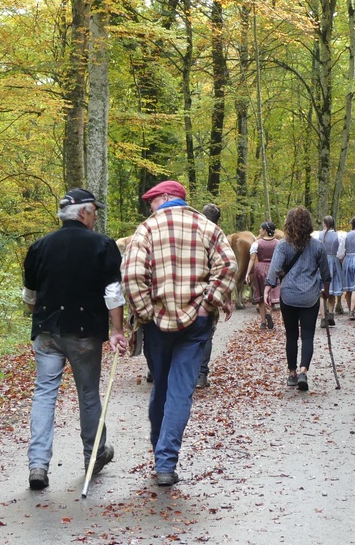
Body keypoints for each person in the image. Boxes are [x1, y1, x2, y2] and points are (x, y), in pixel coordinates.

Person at [122, 180, 237, 486]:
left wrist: (145, 313)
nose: (150, 207)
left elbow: (131, 275)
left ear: (166, 197)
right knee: (180, 391)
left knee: (161, 386)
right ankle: (165, 461)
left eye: (152, 200)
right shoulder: (208, 228)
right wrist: (209, 302)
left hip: (157, 324)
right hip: (196, 322)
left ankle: (160, 454)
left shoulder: (146, 230)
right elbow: (228, 266)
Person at [22, 188, 129, 490]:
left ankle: (38, 465)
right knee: (88, 394)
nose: (95, 217)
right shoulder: (103, 245)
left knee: (44, 394)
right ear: (84, 212)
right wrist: (117, 330)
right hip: (84, 333)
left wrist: (43, 314)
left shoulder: (39, 246)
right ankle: (93, 456)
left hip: (47, 331)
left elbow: (29, 297)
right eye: (94, 211)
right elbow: (113, 294)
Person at [264, 206, 331, 391]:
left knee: (291, 336)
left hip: (289, 296)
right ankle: (303, 371)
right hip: (310, 296)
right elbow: (326, 274)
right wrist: (325, 291)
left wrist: (267, 289)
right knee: (308, 335)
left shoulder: (283, 245)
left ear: (288, 224)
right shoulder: (318, 246)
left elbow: (275, 270)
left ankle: (292, 374)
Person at [196, 203, 223, 389]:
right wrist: (224, 297)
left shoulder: (189, 231)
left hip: (188, 290)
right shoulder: (217, 236)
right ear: (217, 221)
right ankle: (201, 374)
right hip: (208, 292)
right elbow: (225, 268)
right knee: (207, 334)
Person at [244, 221, 280, 330]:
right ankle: (269, 311)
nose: (259, 231)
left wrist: (247, 273)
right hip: (273, 269)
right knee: (271, 293)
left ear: (264, 231)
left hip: (260, 269)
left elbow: (252, 259)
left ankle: (263, 322)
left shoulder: (257, 243)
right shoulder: (278, 243)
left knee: (260, 295)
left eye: (261, 229)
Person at [316, 216, 344, 328]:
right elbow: (341, 253)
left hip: (322, 263)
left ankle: (323, 318)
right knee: (332, 289)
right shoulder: (339, 236)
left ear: (324, 223)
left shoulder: (318, 235)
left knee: (321, 292)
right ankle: (331, 313)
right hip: (334, 262)